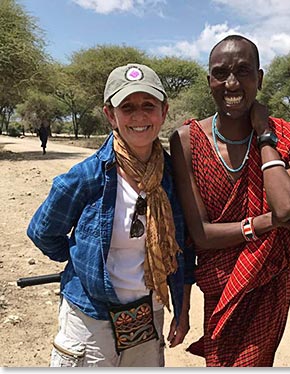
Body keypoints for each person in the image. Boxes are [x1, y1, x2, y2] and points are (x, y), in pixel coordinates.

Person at [170, 35, 290, 367]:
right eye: (220, 72)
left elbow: (285, 205)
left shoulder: (284, 136)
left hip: (267, 285)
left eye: (243, 71)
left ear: (259, 78)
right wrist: (271, 222)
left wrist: (264, 134)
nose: (232, 82)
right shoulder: (186, 142)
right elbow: (202, 235)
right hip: (221, 286)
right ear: (208, 80)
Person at [27, 63, 195, 367]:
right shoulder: (87, 177)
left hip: (148, 316)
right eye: (127, 107)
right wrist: (80, 261)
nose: (139, 116)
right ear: (110, 114)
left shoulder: (173, 178)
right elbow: (42, 231)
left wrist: (182, 312)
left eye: (149, 105)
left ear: (164, 111)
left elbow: (184, 251)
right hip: (90, 322)